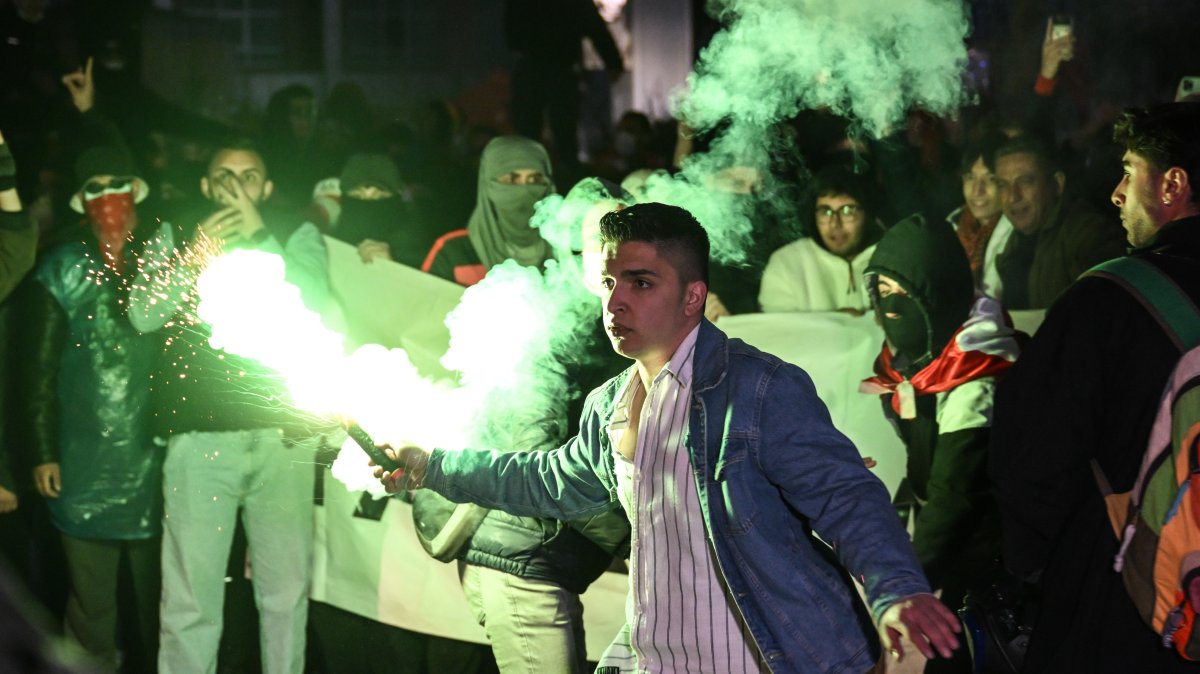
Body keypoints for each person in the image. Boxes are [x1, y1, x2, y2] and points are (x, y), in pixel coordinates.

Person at [378, 202, 962, 673]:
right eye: (609, 281)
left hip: (761, 655)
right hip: (652, 657)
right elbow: (552, 480)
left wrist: (897, 592)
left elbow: (845, 494)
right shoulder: (611, 402)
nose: (615, 301)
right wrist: (433, 466)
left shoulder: (759, 388)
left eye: (640, 282)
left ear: (692, 296)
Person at [989, 101, 1200, 673]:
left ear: (1172, 185)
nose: (1116, 192)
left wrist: (1029, 568)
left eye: (1130, 171)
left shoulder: (1106, 300)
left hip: (1123, 604)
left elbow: (1031, 458)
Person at [128, 140, 330, 674]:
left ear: (265, 187)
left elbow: (320, 303)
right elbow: (144, 313)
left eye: (248, 177)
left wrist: (263, 235)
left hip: (284, 437)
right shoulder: (177, 229)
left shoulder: (295, 230)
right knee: (191, 599)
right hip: (200, 437)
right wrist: (196, 252)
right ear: (205, 185)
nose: (235, 187)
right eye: (224, 177)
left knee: (284, 594)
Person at [22, 138, 162, 673]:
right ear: (81, 198)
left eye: (116, 184)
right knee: (91, 609)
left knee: (163, 605)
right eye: (94, 187)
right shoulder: (61, 266)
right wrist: (42, 451)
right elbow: (35, 371)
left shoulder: (163, 260)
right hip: (82, 467)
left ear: (136, 191)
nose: (107, 196)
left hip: (158, 465)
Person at [860, 215, 1018, 673]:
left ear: (936, 293)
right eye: (882, 293)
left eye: (903, 294)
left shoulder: (973, 370)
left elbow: (956, 493)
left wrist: (905, 580)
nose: (892, 306)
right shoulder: (912, 359)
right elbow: (921, 466)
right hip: (947, 546)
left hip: (988, 554)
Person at [991, 136, 1125, 309]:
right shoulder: (1011, 242)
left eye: (1025, 181)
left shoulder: (1089, 234)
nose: (1012, 196)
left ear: (1057, 183)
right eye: (1003, 185)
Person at [421, 135, 554, 287]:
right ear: (487, 184)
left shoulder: (572, 252)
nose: (524, 190)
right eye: (511, 179)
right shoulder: (453, 253)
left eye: (534, 180)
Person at [759, 165, 884, 314]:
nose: (835, 223)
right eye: (825, 211)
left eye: (847, 210)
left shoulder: (895, 258)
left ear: (868, 214)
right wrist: (832, 324)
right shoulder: (787, 262)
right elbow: (779, 331)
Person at [945, 131, 1013, 300]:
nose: (977, 190)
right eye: (970, 178)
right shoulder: (952, 224)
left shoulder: (1018, 231)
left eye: (990, 179)